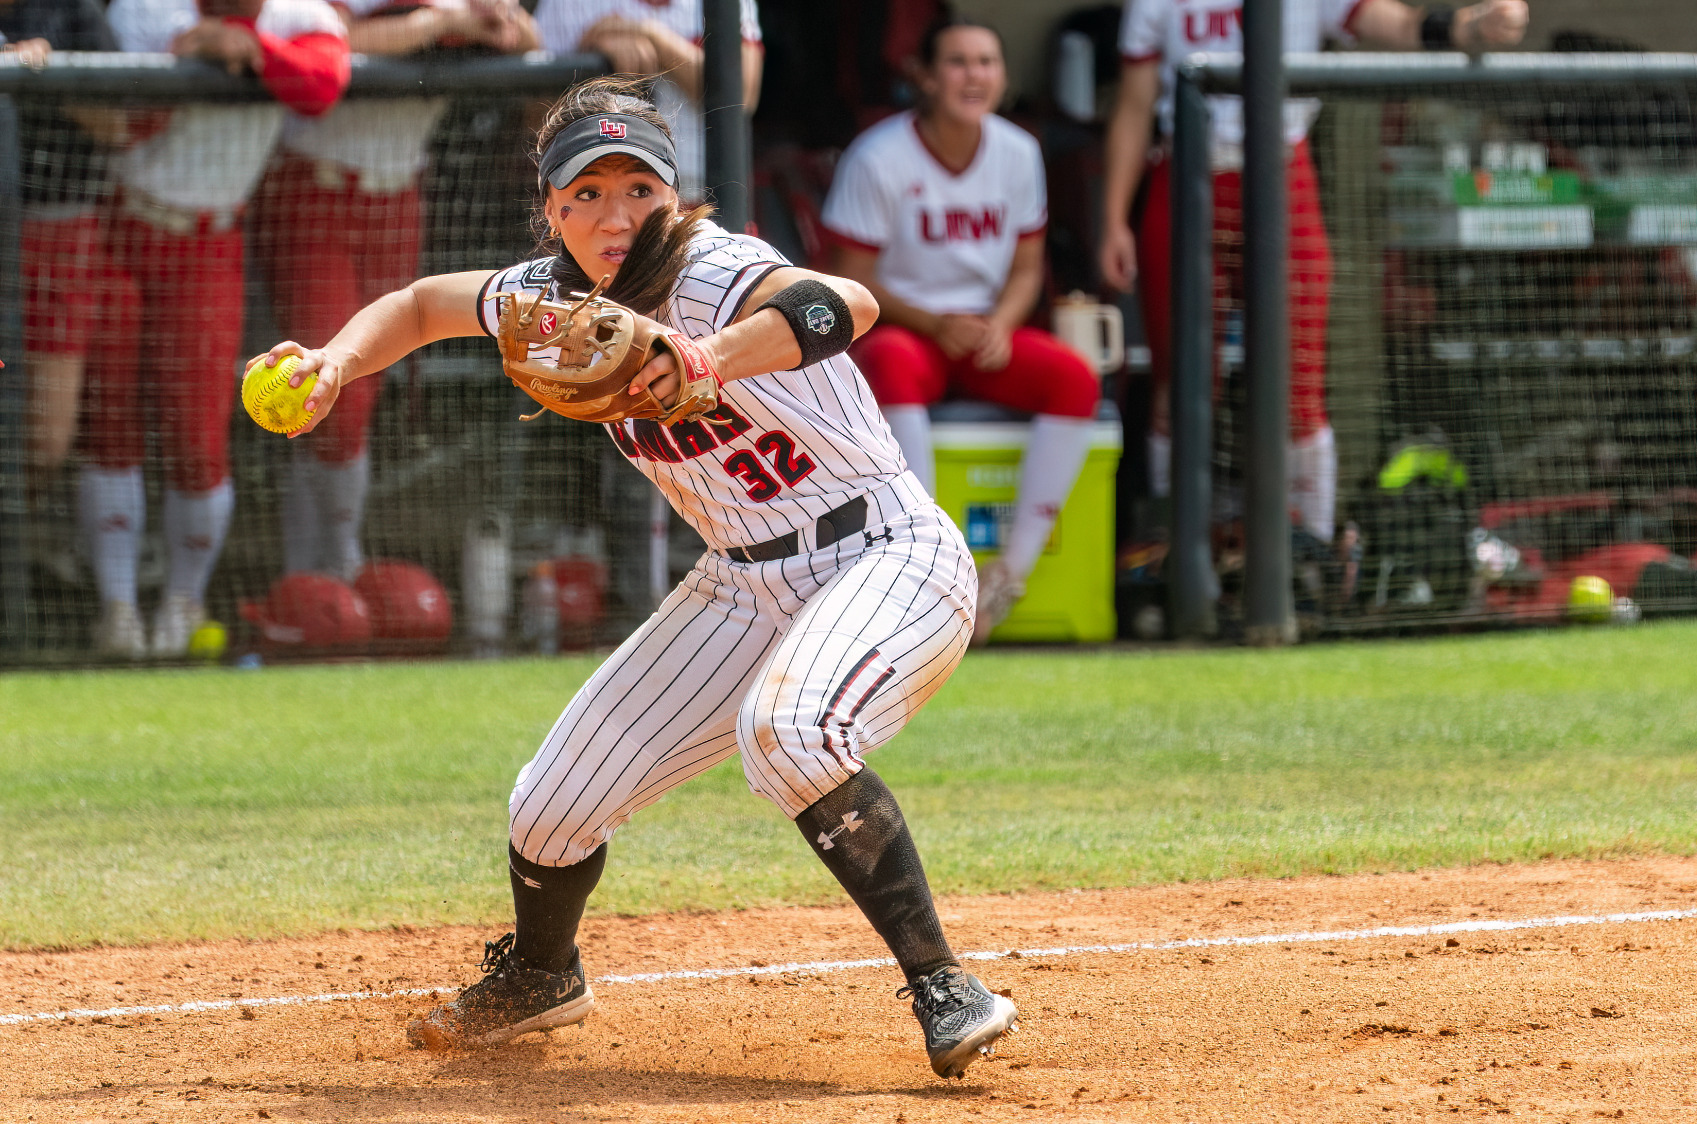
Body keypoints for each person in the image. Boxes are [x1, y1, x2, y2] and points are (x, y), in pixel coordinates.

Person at [254, 77, 1018, 1079]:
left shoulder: (712, 267)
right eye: (587, 194)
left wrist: (709, 357)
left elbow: (849, 302)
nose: (615, 216)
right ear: (551, 206)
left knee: (788, 734)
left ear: (672, 195)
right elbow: (422, 304)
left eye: (637, 190)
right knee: (548, 806)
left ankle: (943, 982)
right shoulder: (545, 300)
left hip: (885, 551)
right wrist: (334, 361)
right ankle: (540, 972)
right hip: (740, 582)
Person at [1098, 0, 1528, 549]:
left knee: (1297, 382)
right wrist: (1114, 218)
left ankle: (1311, 556)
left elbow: (1393, 23)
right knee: (1181, 382)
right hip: (1187, 175)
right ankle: (1178, 551)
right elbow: (1135, 105)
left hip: (1280, 172)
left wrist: (1471, 26)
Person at [83, 0, 348, 658]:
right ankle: (117, 609)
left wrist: (253, 50)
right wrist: (189, 53)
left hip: (210, 240)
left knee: (198, 434)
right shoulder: (148, 8)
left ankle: (182, 600)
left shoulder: (299, 15)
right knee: (110, 420)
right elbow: (124, 125)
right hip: (122, 226)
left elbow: (320, 87)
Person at [823, 16, 1100, 644]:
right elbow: (849, 278)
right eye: (957, 62)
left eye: (986, 62)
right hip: (907, 328)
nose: (973, 76)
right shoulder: (879, 156)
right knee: (889, 360)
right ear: (924, 75)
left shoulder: (1019, 151)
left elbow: (1029, 267)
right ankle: (928, 568)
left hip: (980, 331)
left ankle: (1009, 575)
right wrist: (933, 322)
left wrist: (1001, 324)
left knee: (1075, 379)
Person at [251, 0, 538, 581]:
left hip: (398, 194)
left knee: (364, 389)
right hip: (317, 185)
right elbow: (340, 38)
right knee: (330, 388)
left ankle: (324, 570)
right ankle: (317, 570)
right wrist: (436, 24)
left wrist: (482, 18)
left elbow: (525, 34)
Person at [2, 0, 118, 584]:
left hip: (58, 227)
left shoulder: (73, 13)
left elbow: (120, 125)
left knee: (45, 438)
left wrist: (41, 78)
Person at [534, 0, 763, 199]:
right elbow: (534, 116)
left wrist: (650, 35)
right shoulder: (565, 3)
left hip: (702, 199)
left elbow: (744, 97)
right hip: (598, 199)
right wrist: (590, 54)